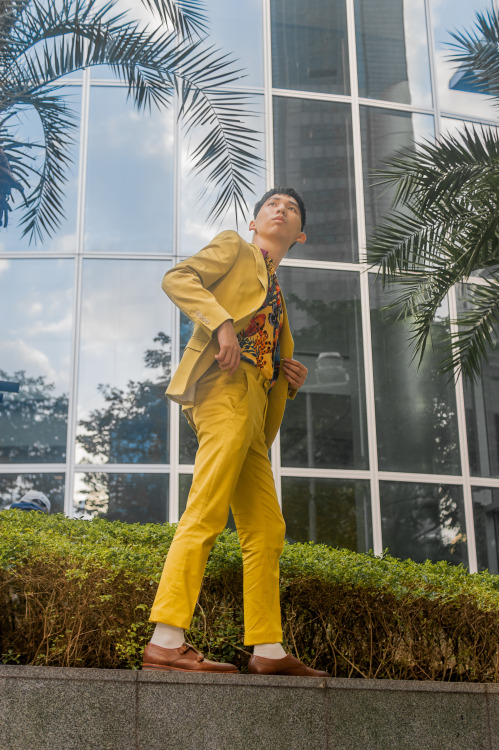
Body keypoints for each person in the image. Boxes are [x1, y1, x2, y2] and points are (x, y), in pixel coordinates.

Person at [142, 187, 328, 677]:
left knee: (267, 530)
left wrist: (287, 377)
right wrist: (222, 323)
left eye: (291, 208)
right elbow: (177, 278)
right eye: (272, 205)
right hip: (225, 389)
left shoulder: (279, 292)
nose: (281, 210)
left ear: (300, 233)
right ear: (254, 221)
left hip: (255, 403)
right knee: (206, 508)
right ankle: (165, 639)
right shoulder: (235, 248)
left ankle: (266, 650)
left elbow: (267, 351)